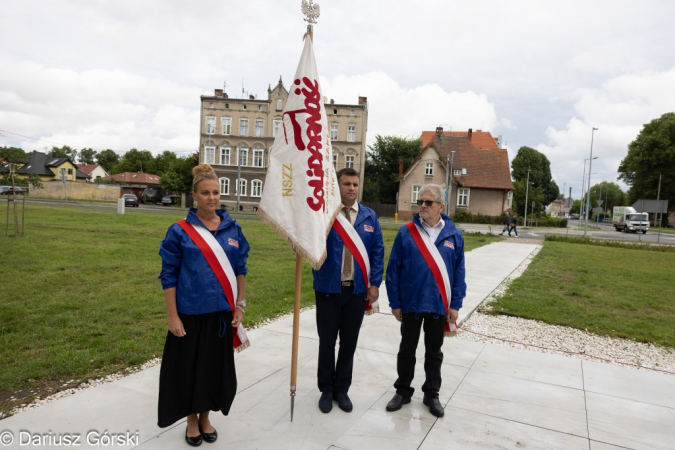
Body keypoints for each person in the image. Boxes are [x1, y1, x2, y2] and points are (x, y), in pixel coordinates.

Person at [157, 164, 249, 447]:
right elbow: (168, 275)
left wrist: (240, 306)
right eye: (205, 193)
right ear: (194, 196)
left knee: (212, 371)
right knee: (188, 370)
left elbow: (240, 270)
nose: (212, 197)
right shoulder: (180, 231)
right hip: (189, 314)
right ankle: (191, 421)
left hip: (220, 316)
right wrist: (173, 317)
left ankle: (206, 417)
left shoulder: (233, 229)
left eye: (216, 192)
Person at [385, 184, 466, 418]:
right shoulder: (406, 232)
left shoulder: (454, 235)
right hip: (411, 301)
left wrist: (455, 304)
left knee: (434, 352)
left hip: (439, 304)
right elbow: (394, 270)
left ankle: (432, 394)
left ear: (441, 206)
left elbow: (459, 272)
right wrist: (395, 302)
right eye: (421, 201)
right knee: (407, 349)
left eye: (428, 202)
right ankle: (403, 391)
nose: (422, 205)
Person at [312, 168, 384, 413]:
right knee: (327, 342)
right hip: (328, 290)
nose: (352, 188)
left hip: (357, 291)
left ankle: (342, 389)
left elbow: (377, 252)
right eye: (346, 184)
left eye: (355, 184)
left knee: (349, 343)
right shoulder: (324, 214)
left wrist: (375, 284)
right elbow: (308, 243)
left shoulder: (369, 217)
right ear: (337, 186)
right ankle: (326, 389)